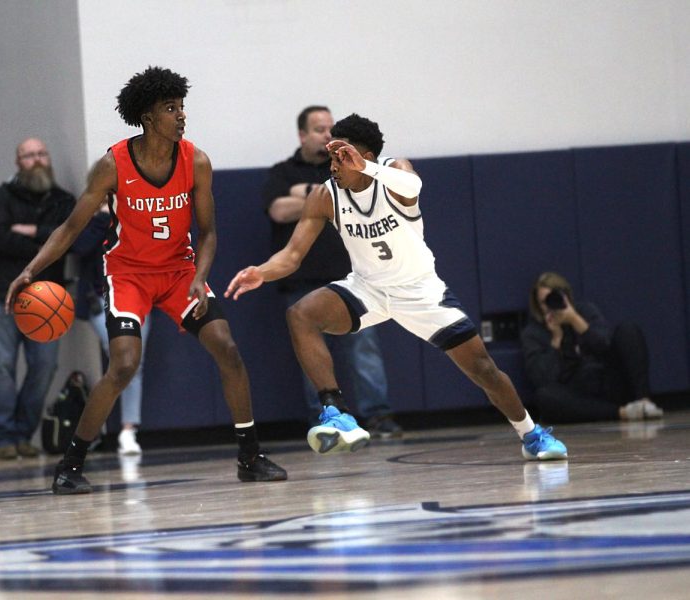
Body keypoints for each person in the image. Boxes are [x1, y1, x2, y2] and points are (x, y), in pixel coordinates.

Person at [5, 66, 287, 494]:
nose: (181, 115)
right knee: (122, 365)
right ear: (148, 117)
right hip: (129, 275)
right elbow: (69, 229)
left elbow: (208, 232)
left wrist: (201, 275)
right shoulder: (111, 164)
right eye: (171, 108)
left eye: (182, 106)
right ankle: (71, 465)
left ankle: (250, 457)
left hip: (179, 274)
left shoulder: (196, 160)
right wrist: (30, 271)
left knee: (227, 349)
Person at [226, 114, 568, 461]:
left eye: (341, 157)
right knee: (301, 314)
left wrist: (368, 168)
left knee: (484, 370)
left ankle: (531, 434)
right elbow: (292, 254)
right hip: (367, 289)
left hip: (420, 292)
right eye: (332, 157)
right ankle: (336, 412)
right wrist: (263, 272)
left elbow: (413, 187)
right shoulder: (325, 195)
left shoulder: (394, 174)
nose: (333, 166)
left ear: (365, 157)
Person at [263, 105, 400, 436]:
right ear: (302, 135)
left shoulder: (344, 166)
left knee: (364, 348)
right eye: (318, 129)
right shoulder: (283, 171)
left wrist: (305, 194)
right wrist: (318, 195)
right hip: (302, 280)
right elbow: (279, 210)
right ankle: (326, 415)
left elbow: (367, 188)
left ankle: (378, 415)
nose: (327, 135)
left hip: (354, 278)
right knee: (310, 349)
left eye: (330, 129)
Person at [0, 137, 75, 460]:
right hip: (1, 294)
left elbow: (70, 238)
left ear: (48, 158)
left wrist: (28, 231)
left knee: (45, 367)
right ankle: (4, 439)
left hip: (48, 298)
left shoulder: (64, 200)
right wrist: (46, 245)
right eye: (28, 155)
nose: (36, 159)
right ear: (17, 162)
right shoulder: (0, 197)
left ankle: (23, 434)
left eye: (41, 153)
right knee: (2, 366)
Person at [520, 271, 663, 423]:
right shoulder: (533, 333)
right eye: (544, 302)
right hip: (578, 392)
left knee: (628, 329)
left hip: (607, 379)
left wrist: (575, 320)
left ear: (565, 296)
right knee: (545, 396)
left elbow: (605, 345)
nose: (550, 306)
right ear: (537, 305)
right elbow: (543, 379)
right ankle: (623, 413)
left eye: (553, 298)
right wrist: (556, 340)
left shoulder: (584, 311)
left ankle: (644, 402)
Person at [72, 204, 149, 454]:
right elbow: (80, 248)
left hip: (135, 299)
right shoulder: (87, 219)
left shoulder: (136, 217)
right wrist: (103, 217)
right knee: (120, 359)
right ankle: (89, 432)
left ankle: (128, 429)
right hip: (99, 300)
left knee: (133, 363)